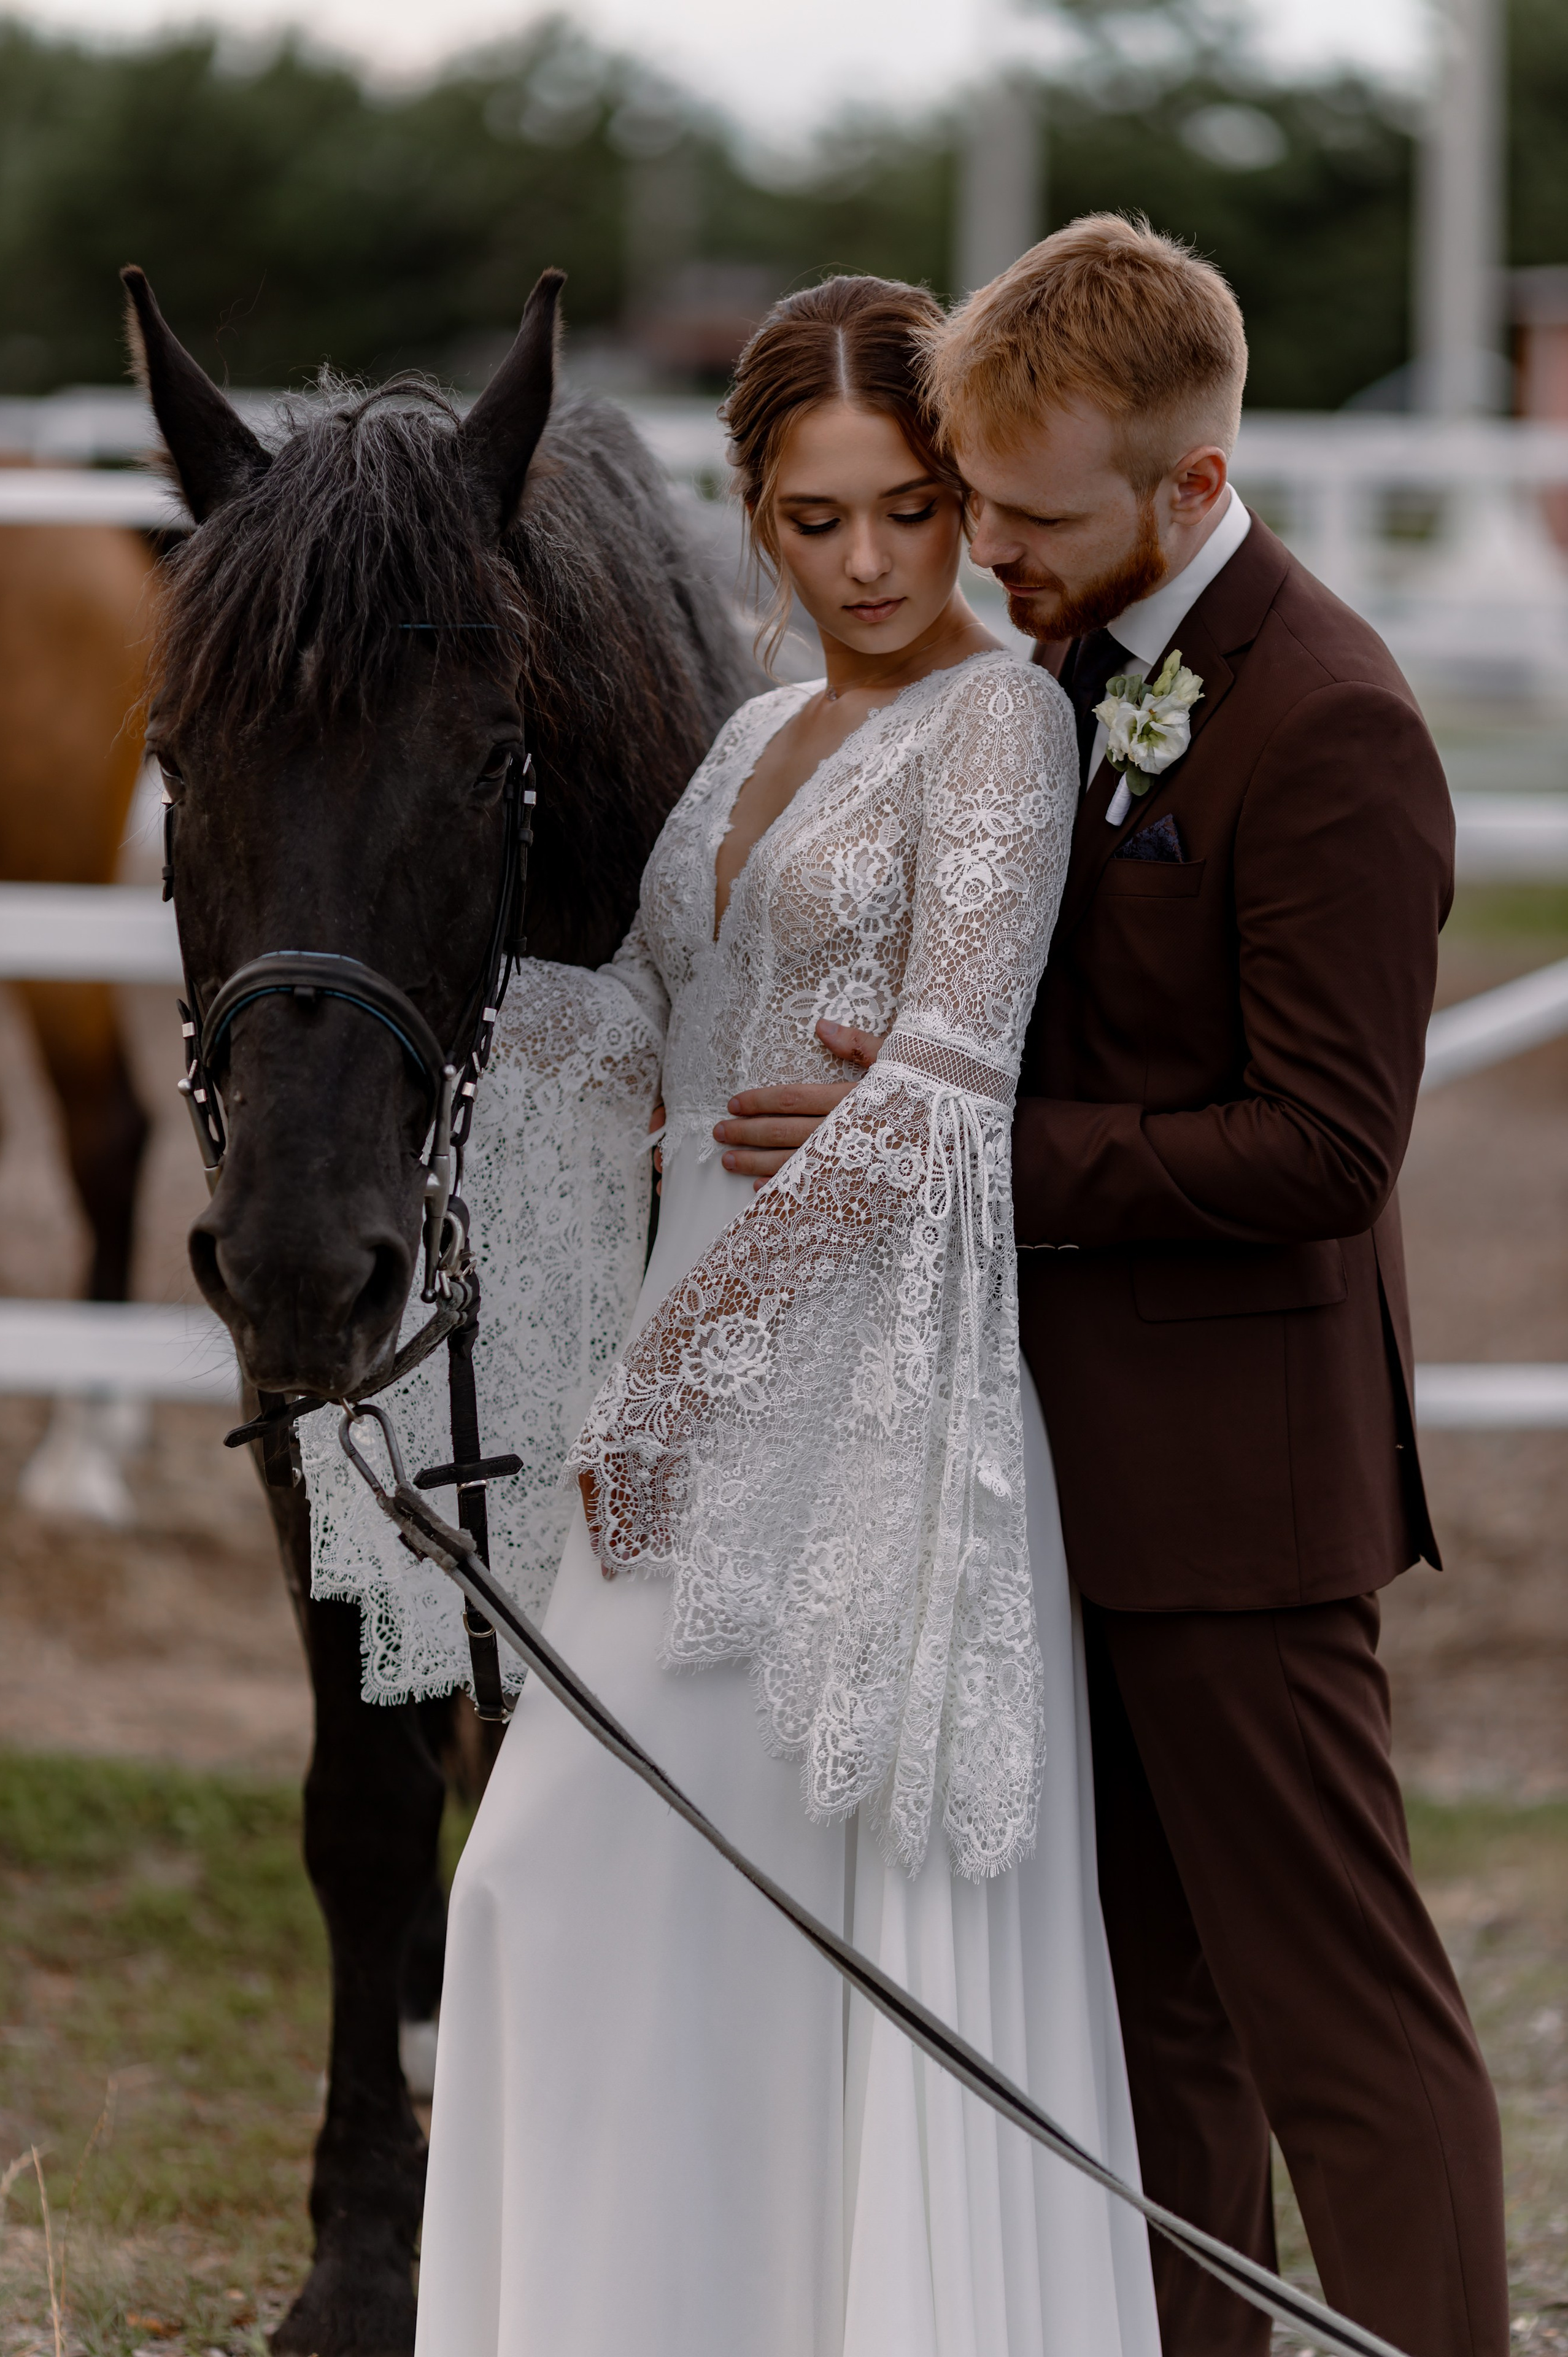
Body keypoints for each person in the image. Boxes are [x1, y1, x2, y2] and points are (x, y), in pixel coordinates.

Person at [722, 218, 1509, 2357]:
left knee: (1334, 2012)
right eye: (973, 499)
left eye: (1028, 515)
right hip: (1042, 1468)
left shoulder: (1330, 716)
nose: (987, 549)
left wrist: (967, 1141)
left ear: (1189, 483)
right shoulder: (1063, 663)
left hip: (1240, 1492)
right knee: (1150, 2016)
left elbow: (1331, 1151)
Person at [400, 275, 1162, 2355]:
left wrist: (680, 1383)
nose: (874, 565)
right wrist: (391, 1027)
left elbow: (941, 1088)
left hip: (841, 1406)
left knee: (585, 1883)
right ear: (753, 515)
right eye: (819, 520)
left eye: (912, 512)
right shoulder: (754, 732)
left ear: (962, 501)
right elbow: (647, 1018)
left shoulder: (996, 719)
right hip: (682, 1367)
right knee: (601, 1907)